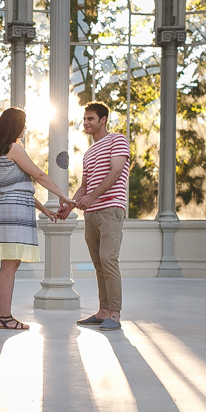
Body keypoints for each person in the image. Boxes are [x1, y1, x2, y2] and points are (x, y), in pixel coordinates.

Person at [0, 107, 74, 330]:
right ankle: (4, 318)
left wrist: (45, 210)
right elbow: (39, 175)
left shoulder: (3, 150)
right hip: (14, 209)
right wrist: (63, 196)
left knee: (9, 264)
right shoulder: (14, 148)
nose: (26, 128)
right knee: (9, 266)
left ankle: (4, 317)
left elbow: (20, 188)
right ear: (15, 125)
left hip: (13, 206)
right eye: (23, 124)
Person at [58, 101, 131, 331]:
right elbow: (85, 186)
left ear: (103, 120)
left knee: (109, 260)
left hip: (111, 209)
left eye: (91, 118)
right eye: (85, 118)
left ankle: (115, 315)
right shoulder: (89, 153)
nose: (86, 122)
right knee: (99, 264)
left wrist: (92, 197)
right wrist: (69, 206)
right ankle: (103, 312)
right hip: (91, 215)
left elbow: (116, 171)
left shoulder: (117, 139)